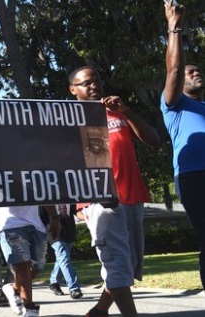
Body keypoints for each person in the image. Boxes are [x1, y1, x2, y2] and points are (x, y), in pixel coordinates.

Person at [68, 66, 160, 317]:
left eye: (96, 80)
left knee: (127, 265)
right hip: (101, 202)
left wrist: (127, 111)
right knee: (117, 265)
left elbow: (153, 140)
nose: (93, 85)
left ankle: (99, 311)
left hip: (131, 196)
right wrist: (78, 204)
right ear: (73, 89)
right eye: (86, 83)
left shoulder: (115, 111)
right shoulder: (68, 118)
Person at [161, 2, 205, 291]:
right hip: (194, 176)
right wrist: (174, 25)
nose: (195, 72)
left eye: (198, 69)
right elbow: (175, 69)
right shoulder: (174, 104)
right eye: (190, 71)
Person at [0, 206, 58, 317]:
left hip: (36, 226)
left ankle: (13, 288)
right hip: (9, 225)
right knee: (22, 265)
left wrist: (55, 218)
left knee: (37, 267)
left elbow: (42, 193)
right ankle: (29, 309)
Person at [42, 204, 83, 299]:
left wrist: (86, 217)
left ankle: (54, 281)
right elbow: (42, 216)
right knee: (64, 257)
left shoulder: (68, 194)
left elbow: (75, 212)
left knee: (62, 259)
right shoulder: (46, 196)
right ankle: (74, 288)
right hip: (54, 232)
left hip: (68, 231)